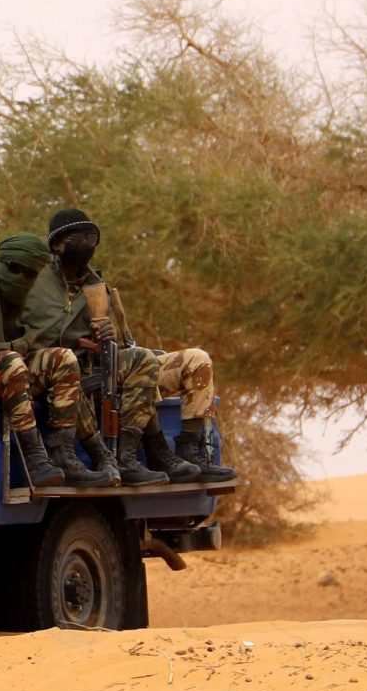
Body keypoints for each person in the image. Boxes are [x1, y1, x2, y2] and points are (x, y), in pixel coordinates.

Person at [19, 208, 237, 486]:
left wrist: (109, 337)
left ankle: (189, 453)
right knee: (140, 362)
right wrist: (76, 341)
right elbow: (31, 337)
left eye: (92, 238)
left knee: (196, 359)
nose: (87, 244)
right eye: (79, 237)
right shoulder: (35, 284)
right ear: (57, 244)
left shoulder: (97, 286)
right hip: (67, 372)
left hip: (104, 369)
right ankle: (144, 454)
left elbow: (119, 347)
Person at [0, 234, 110, 488]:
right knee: (12, 361)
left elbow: (36, 334)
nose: (31, 284)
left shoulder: (35, 297)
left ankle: (63, 453)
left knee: (63, 358)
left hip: (14, 370)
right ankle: (34, 458)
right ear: (11, 268)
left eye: (36, 277)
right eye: (27, 275)